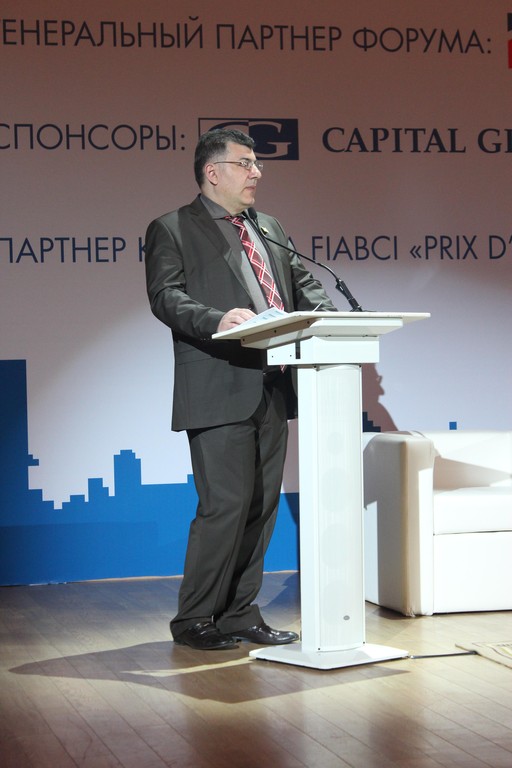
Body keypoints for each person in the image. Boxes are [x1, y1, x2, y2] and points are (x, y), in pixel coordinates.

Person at [144, 128, 336, 650]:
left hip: (273, 385)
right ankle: (194, 619)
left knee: (261, 506)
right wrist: (216, 319)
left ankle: (238, 613)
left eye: (257, 164)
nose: (257, 173)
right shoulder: (172, 228)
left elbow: (302, 283)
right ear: (213, 172)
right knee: (224, 507)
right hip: (218, 384)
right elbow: (165, 296)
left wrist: (326, 318)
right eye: (245, 163)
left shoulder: (267, 226)